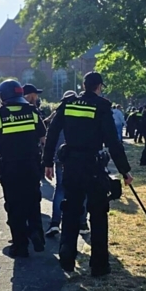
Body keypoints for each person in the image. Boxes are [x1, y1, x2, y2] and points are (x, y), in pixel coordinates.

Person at [43, 71, 132, 276]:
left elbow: (52, 132)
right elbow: (112, 141)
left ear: (83, 85)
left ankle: (66, 258)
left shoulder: (68, 104)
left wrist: (47, 161)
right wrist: (124, 170)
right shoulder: (101, 106)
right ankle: (99, 266)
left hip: (71, 166)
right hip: (93, 167)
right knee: (99, 214)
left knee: (71, 211)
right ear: (99, 86)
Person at [0, 80, 47, 257]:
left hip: (10, 168)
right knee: (33, 201)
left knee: (14, 206)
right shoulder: (32, 112)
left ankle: (20, 246)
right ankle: (36, 232)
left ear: (3, 96)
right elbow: (43, 138)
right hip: (31, 166)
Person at [46, 90, 87, 237]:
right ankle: (82, 222)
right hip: (78, 158)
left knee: (60, 189)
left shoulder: (57, 115)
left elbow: (50, 139)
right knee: (82, 190)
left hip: (60, 158)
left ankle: (55, 223)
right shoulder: (79, 115)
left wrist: (48, 162)